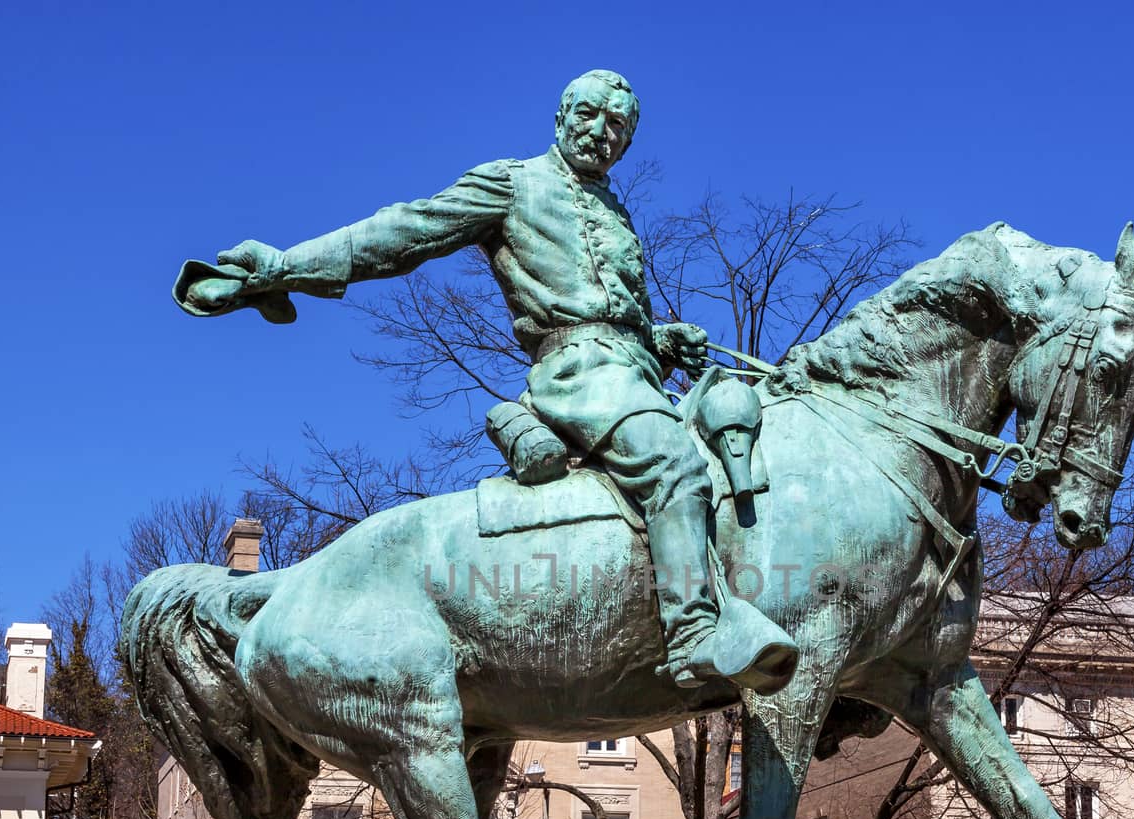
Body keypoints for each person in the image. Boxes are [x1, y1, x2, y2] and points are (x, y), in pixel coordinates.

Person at [182, 70, 796, 690]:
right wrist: (287, 268)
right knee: (677, 468)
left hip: (634, 376)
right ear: (560, 118)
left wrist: (660, 340)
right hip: (579, 374)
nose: (600, 133)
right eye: (588, 115)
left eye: (617, 126)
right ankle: (692, 633)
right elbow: (404, 231)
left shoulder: (615, 210)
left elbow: (616, 315)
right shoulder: (513, 184)